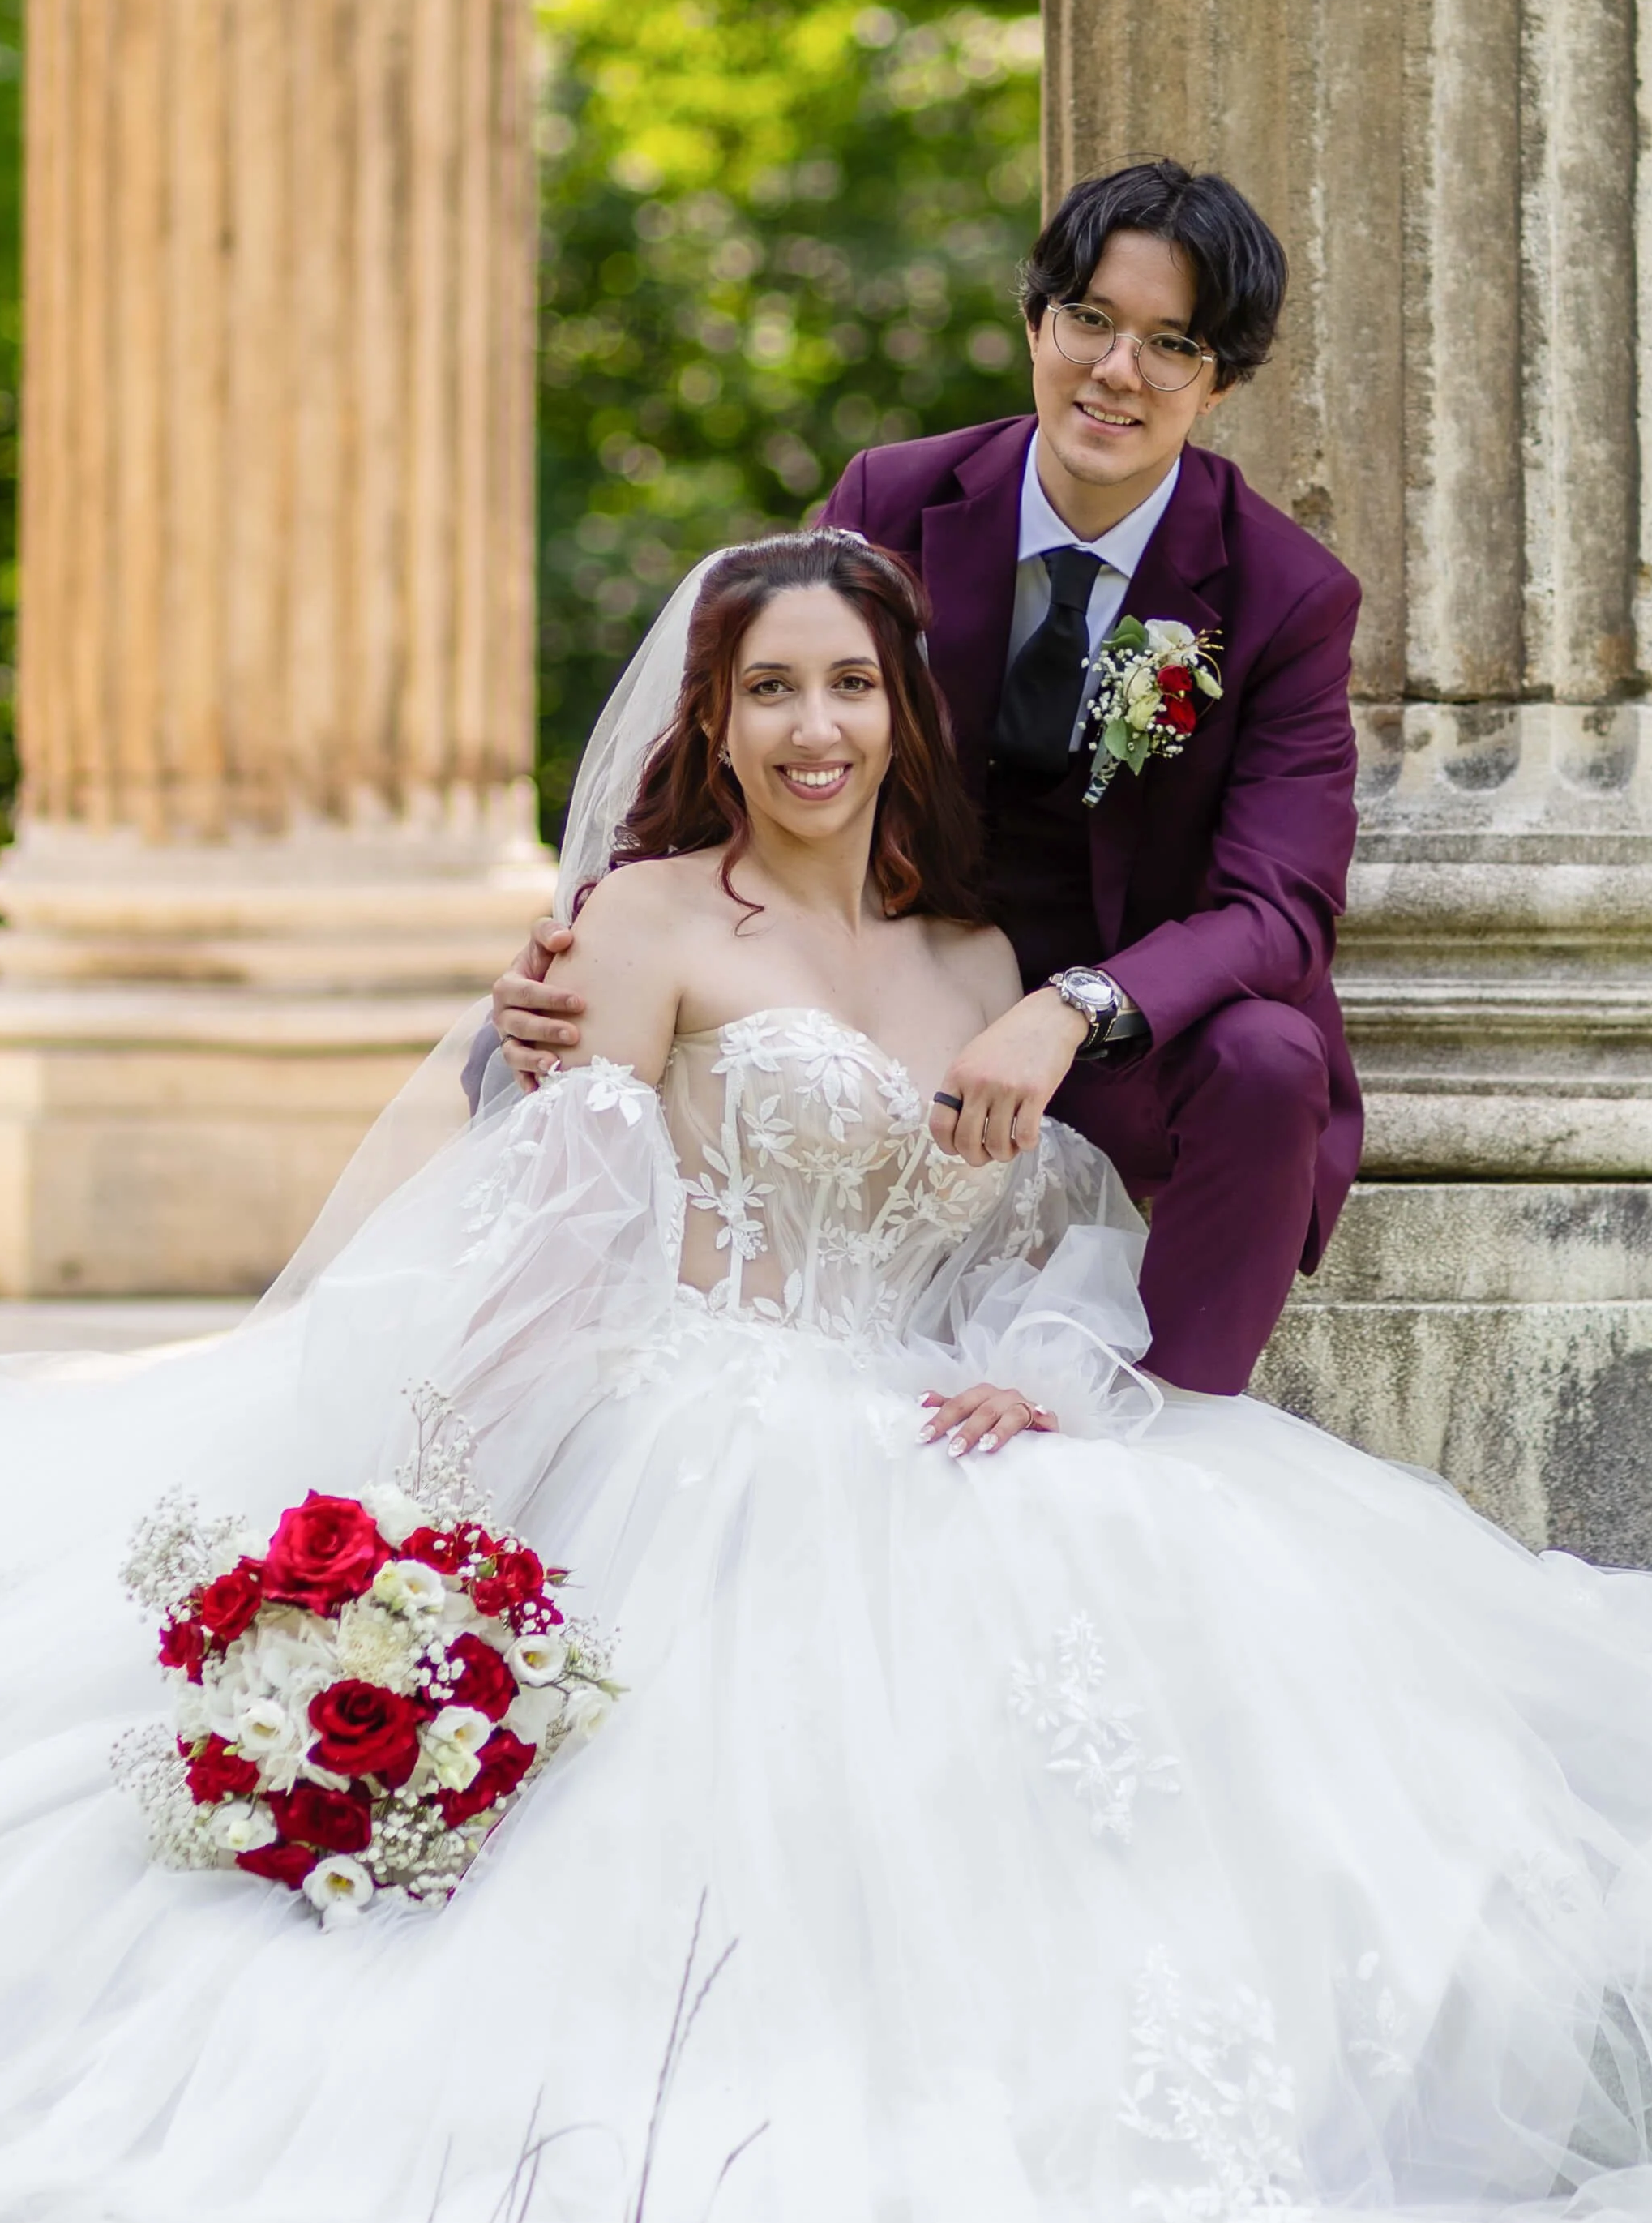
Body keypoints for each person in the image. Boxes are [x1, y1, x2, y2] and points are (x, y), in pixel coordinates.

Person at [0, 529, 1652, 2223]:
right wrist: (435, 1532)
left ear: (906, 708)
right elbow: (556, 1224)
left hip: (914, 1408)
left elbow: (1029, 1246)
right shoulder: (649, 922)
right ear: (717, 714)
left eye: (849, 683)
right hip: (689, 1419)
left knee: (1182, 1625)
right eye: (769, 688)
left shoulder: (981, 955)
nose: (811, 725)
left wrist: (1032, 1367)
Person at [477, 161, 1359, 1398]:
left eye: (1171, 344)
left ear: (1219, 380)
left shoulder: (1286, 595)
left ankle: (1167, 1417)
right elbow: (763, 705)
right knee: (522, 1042)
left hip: (1126, 1033)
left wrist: (1073, 1007)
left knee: (1273, 1057)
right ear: (1037, 322)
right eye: (1092, 321)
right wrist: (608, 929)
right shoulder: (897, 495)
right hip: (897, 983)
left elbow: (1281, 909)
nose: (1117, 371)